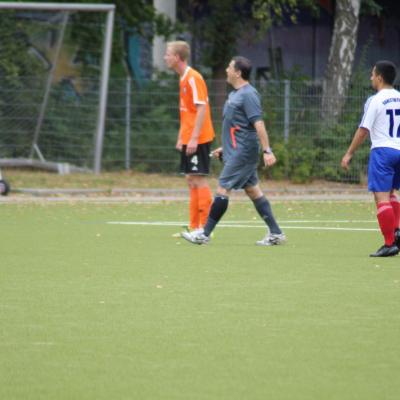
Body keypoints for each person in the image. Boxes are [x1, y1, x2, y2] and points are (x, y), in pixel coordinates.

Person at [182, 56, 285, 246]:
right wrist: (225, 147)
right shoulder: (234, 95)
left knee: (223, 188)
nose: (227, 70)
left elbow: (258, 124)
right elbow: (237, 127)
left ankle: (204, 234)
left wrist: (267, 150)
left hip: (244, 152)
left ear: (238, 73)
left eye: (229, 67)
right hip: (237, 150)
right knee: (253, 191)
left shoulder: (249, 95)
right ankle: (276, 233)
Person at [341, 60, 400, 257]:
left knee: (381, 198)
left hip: (383, 151)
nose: (371, 78)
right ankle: (397, 231)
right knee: (392, 193)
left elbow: (363, 130)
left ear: (380, 78)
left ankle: (389, 243)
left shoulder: (376, 100)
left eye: (373, 74)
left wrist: (349, 153)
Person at [164, 41, 215, 233]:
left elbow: (202, 108)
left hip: (199, 137)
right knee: (190, 179)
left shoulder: (194, 78)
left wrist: (193, 138)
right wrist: (181, 137)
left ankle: (205, 228)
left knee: (198, 179)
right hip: (189, 137)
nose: (165, 57)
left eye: (167, 54)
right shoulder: (182, 78)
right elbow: (187, 112)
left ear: (177, 57)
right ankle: (194, 226)